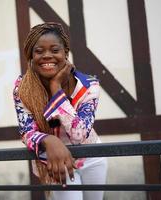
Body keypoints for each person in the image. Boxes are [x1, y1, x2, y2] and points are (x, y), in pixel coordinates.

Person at [13, 22, 107, 200]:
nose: (47, 56)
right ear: (31, 56)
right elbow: (27, 131)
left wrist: (56, 88)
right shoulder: (22, 87)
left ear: (65, 53)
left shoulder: (88, 85)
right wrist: (50, 141)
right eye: (39, 51)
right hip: (55, 161)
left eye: (55, 50)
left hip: (91, 158)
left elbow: (79, 134)